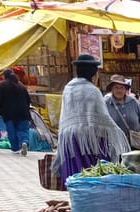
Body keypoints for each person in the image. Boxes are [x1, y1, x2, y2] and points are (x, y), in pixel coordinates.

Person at [53, 54, 130, 186]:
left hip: (71, 140)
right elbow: (104, 120)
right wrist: (117, 133)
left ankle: (78, 202)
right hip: (91, 142)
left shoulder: (68, 89)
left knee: (76, 177)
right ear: (94, 73)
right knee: (95, 177)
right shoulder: (93, 91)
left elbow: (65, 117)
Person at [104, 74, 140, 150]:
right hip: (116, 146)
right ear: (111, 89)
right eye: (116, 87)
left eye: (122, 88)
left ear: (125, 90)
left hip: (135, 144)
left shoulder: (133, 101)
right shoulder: (106, 103)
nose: (119, 90)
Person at [0, 69, 33, 156]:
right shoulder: (21, 86)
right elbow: (28, 100)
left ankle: (15, 148)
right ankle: (24, 142)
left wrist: (1, 112)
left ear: (4, 76)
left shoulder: (1, 85)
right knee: (23, 129)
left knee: (11, 131)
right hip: (23, 112)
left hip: (9, 113)